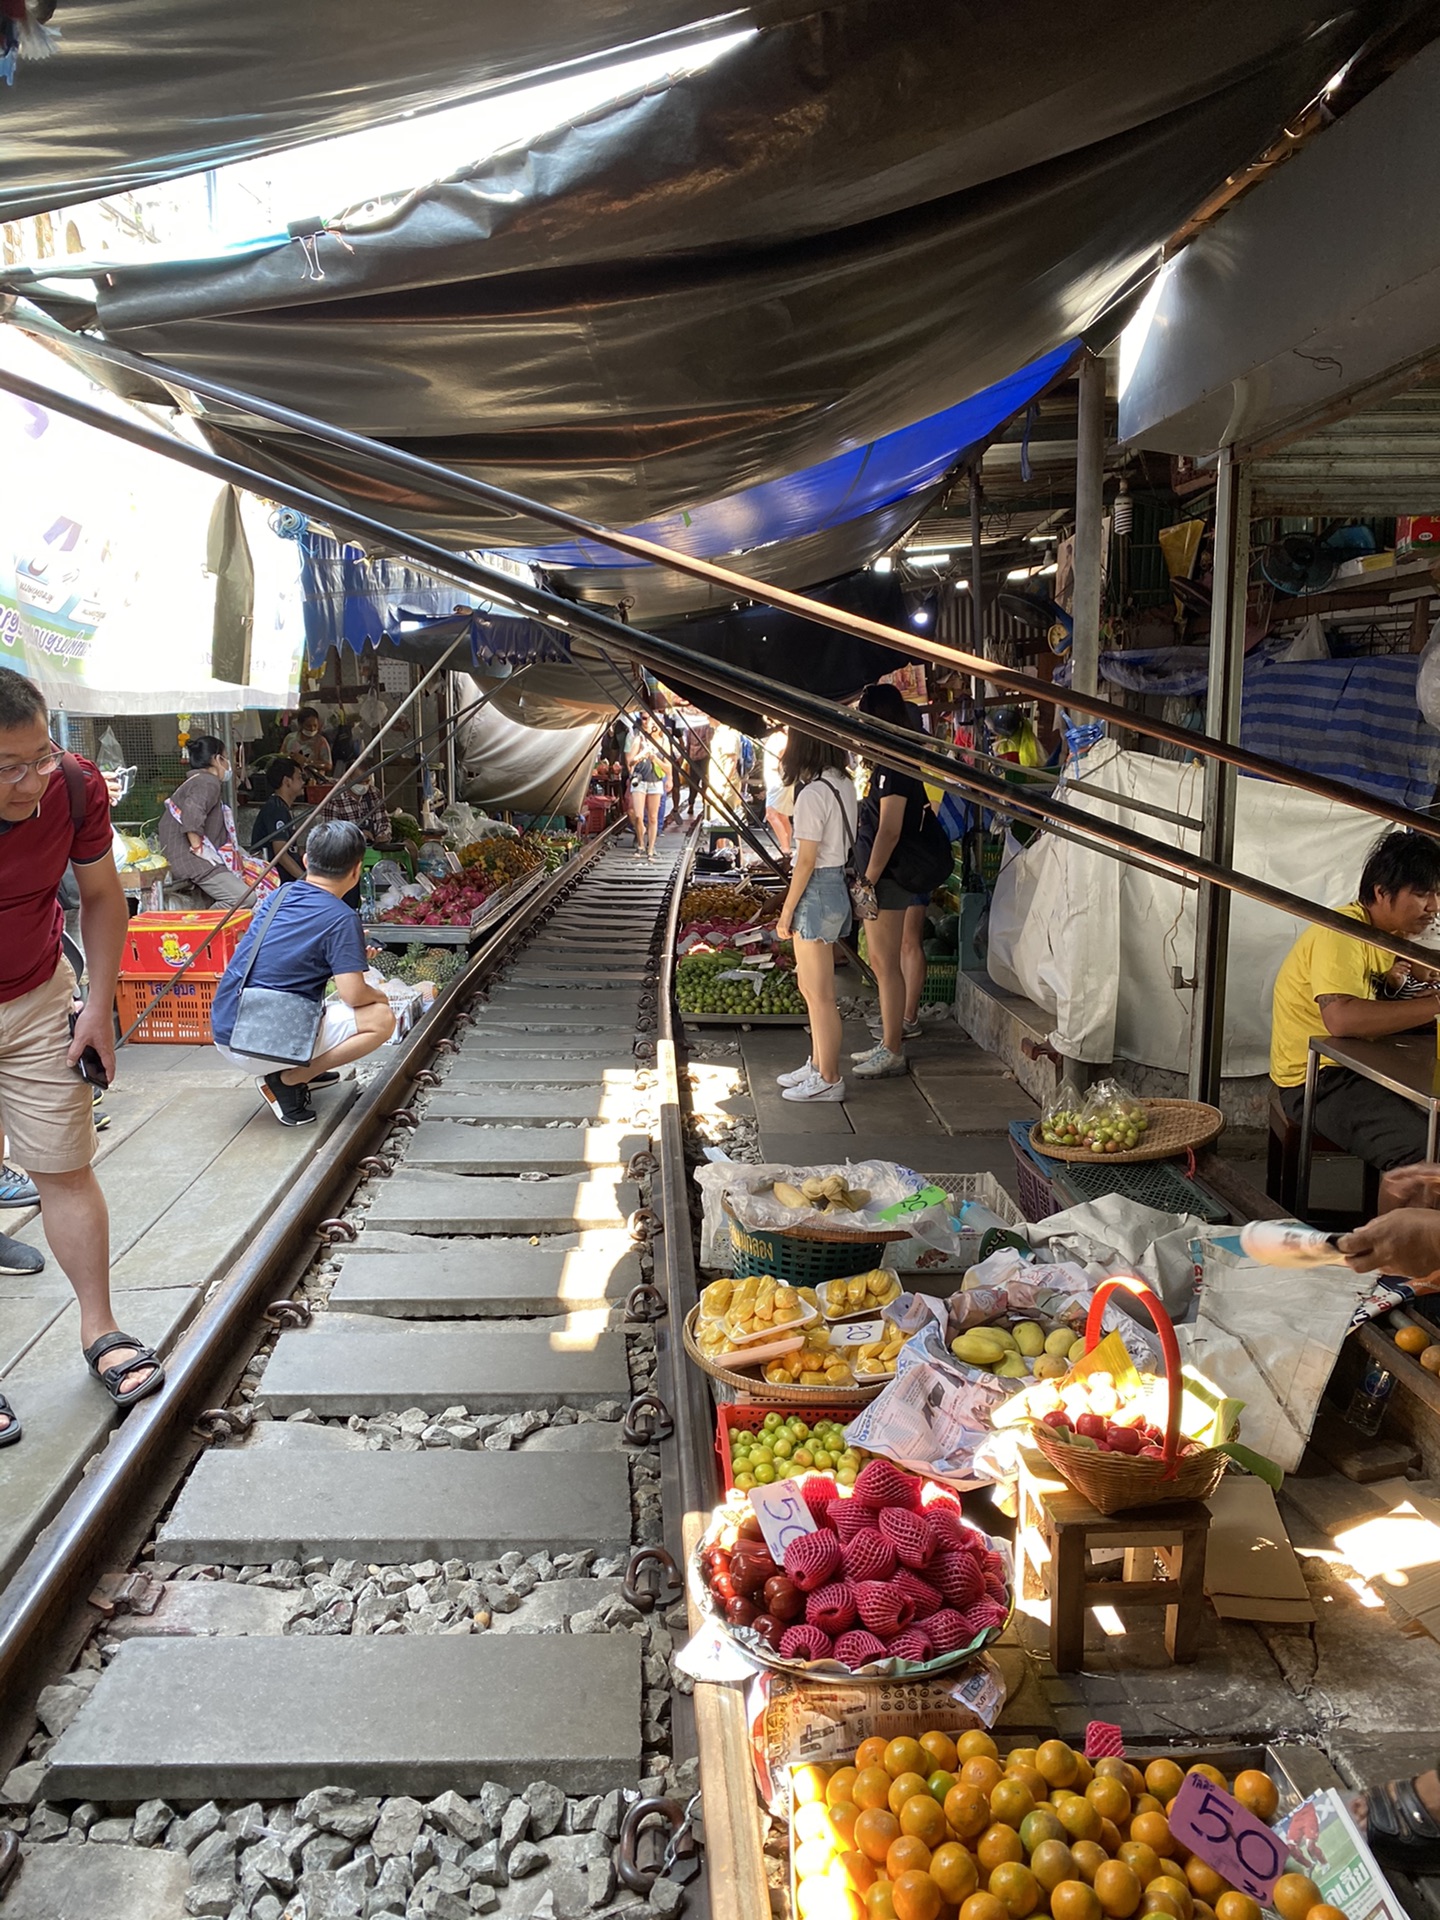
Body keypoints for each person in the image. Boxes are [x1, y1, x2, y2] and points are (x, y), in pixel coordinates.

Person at [0, 671, 165, 1448]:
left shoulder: (71, 787)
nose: (32, 778)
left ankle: (99, 1329)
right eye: (8, 767)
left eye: (40, 754)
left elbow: (102, 896)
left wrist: (98, 1004)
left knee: (65, 1165)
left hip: (37, 994)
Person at [1271, 831, 1440, 1171]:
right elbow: (1341, 1019)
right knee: (1420, 1157)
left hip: (1363, 1065)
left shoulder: (1390, 938)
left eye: (1437, 894)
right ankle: (1392, 1227)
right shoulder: (1343, 930)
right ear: (1381, 892)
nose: (1434, 907)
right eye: (1422, 894)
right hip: (1319, 1079)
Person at [210, 820, 396, 1127]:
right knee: (380, 1018)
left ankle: (303, 1062)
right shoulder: (342, 917)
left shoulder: (279, 895)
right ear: (356, 870)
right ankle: (291, 1078)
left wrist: (349, 953)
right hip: (261, 1041)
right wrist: (381, 995)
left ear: (306, 861)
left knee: (333, 1004)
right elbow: (353, 994)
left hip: (229, 1027)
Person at [849, 683, 939, 1080]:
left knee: (885, 964)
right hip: (882, 877)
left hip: (886, 878)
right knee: (883, 963)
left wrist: (866, 880)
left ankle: (892, 1049)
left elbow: (888, 831)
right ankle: (888, 1040)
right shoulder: (892, 764)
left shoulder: (893, 770)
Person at [774, 733, 857, 1103]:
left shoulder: (812, 794)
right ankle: (819, 1065)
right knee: (812, 988)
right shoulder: (843, 784)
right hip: (835, 883)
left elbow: (805, 860)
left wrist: (787, 911)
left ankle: (829, 1076)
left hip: (816, 889)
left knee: (818, 993)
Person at [156, 735, 252, 908]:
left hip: (186, 857)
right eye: (226, 758)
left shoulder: (196, 781)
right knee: (245, 899)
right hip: (192, 860)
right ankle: (205, 926)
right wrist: (199, 849)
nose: (229, 764)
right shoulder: (207, 782)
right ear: (217, 759)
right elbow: (192, 815)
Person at [250, 757, 306, 881]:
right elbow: (281, 854)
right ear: (287, 781)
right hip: (277, 881)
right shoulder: (276, 809)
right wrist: (304, 880)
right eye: (299, 777)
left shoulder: (282, 808)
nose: (303, 782)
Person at [626, 717, 670, 861]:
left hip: (655, 781)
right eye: (646, 721)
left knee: (653, 816)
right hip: (640, 780)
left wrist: (654, 758)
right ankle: (640, 844)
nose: (649, 724)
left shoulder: (664, 742)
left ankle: (651, 848)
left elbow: (668, 767)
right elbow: (630, 762)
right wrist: (640, 755)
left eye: (652, 722)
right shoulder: (639, 739)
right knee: (638, 815)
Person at [763, 729, 794, 857]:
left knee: (771, 814)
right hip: (777, 777)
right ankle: (786, 846)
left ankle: (785, 849)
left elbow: (784, 752)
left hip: (778, 778)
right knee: (782, 815)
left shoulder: (782, 737)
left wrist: (779, 764)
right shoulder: (777, 736)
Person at [282, 706, 333, 779]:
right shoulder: (290, 738)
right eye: (308, 726)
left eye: (315, 725)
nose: (312, 729)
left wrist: (308, 761)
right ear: (300, 725)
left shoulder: (321, 741)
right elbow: (281, 756)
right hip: (291, 780)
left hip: (313, 782)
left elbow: (328, 765)